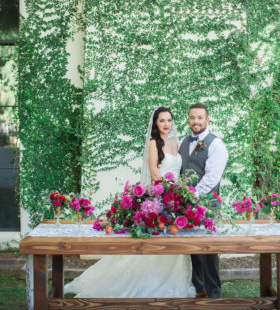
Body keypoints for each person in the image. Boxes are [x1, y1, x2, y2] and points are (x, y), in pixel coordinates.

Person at [64, 107, 195, 298]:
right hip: (161, 197)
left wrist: (180, 195)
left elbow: (180, 171)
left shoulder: (176, 143)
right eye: (162, 121)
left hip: (177, 199)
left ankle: (170, 282)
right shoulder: (153, 143)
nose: (166, 124)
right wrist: (168, 195)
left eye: (169, 120)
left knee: (173, 242)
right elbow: (155, 174)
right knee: (158, 241)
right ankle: (147, 283)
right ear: (155, 124)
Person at [179, 103, 228, 298]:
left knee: (208, 248)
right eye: (192, 117)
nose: (196, 121)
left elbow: (211, 178)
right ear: (189, 120)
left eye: (200, 118)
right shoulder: (184, 142)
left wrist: (192, 196)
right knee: (193, 247)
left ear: (207, 120)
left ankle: (214, 292)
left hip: (208, 204)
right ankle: (198, 289)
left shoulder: (216, 145)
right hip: (188, 204)